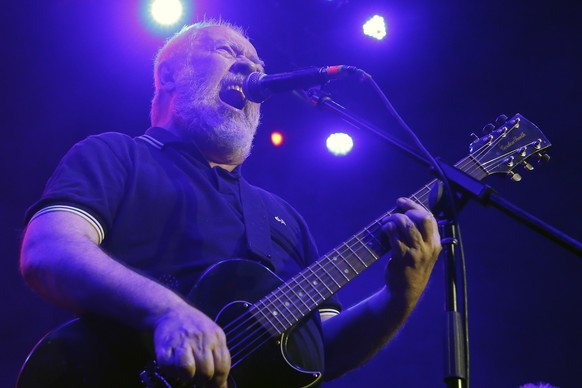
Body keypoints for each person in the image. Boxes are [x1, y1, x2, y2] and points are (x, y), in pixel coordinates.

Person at [19, 20, 442, 387]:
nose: (252, 67)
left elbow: (320, 351)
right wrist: (166, 311)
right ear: (168, 75)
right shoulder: (116, 155)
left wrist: (399, 296)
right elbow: (47, 250)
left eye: (257, 62)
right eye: (227, 51)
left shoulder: (283, 217)